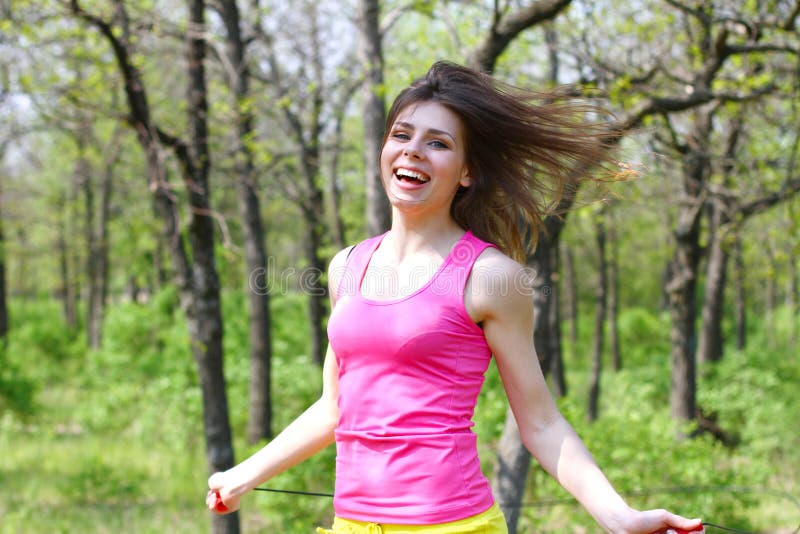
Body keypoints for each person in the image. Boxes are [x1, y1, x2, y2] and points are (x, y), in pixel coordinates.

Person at [206, 61, 704, 534]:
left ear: (467, 172)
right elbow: (336, 408)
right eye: (401, 135)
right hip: (352, 523)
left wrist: (617, 515)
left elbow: (542, 422)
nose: (413, 150)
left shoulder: (491, 277)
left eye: (438, 143)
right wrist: (244, 474)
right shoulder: (346, 267)